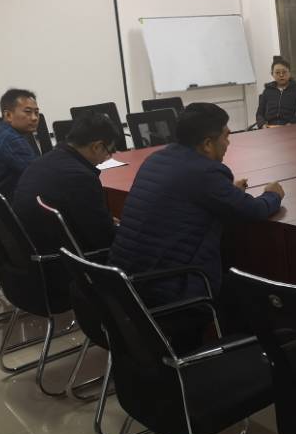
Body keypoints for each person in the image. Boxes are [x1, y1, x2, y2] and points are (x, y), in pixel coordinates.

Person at [109, 103, 284, 308]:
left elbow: (191, 197)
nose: (228, 143)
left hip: (123, 284)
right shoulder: (205, 172)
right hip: (167, 290)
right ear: (207, 144)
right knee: (252, 294)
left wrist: (229, 192)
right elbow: (253, 211)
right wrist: (272, 194)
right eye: (226, 136)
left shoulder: (156, 159)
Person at [12, 113, 120, 254]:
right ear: (97, 146)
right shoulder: (81, 178)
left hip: (32, 249)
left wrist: (105, 221)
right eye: (109, 151)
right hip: (65, 257)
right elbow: (103, 239)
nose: (107, 157)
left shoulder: (44, 161)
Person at [0, 88, 40, 200]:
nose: (34, 118)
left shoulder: (0, 130)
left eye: (36, 112)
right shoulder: (12, 140)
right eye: (28, 112)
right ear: (8, 115)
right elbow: (39, 176)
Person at [255, 56, 296, 128]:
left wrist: (290, 124)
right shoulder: (267, 91)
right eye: (277, 72)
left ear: (290, 73)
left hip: (291, 127)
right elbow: (259, 114)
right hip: (270, 127)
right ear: (272, 74)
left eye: (284, 72)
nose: (281, 75)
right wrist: (263, 125)